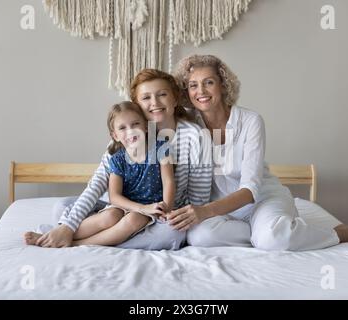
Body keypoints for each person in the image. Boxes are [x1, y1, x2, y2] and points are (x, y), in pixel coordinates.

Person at [168, 54, 348, 251]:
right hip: (222, 209)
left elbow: (250, 189)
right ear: (186, 91)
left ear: (223, 85)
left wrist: (205, 212)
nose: (201, 91)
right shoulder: (188, 126)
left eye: (209, 82)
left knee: (273, 238)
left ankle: (343, 233)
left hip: (261, 199)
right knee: (199, 236)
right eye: (193, 85)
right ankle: (264, 233)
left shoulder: (250, 121)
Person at [24, 69, 212, 249]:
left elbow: (198, 198)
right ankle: (65, 232)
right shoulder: (126, 139)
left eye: (162, 94)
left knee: (174, 234)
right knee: (62, 207)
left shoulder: (195, 136)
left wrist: (169, 213)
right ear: (136, 104)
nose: (154, 102)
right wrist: (68, 225)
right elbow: (97, 186)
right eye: (146, 97)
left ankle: (77, 241)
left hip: (160, 213)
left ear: (175, 98)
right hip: (118, 207)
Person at [26, 101, 175, 246]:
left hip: (150, 208)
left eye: (135, 124)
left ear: (146, 126)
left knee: (134, 220)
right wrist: (139, 207)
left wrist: (165, 208)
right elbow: (114, 197)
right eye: (122, 128)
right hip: (125, 206)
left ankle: (75, 243)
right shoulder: (117, 159)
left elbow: (168, 182)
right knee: (110, 216)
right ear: (115, 135)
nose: (130, 131)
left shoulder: (160, 148)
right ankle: (58, 233)